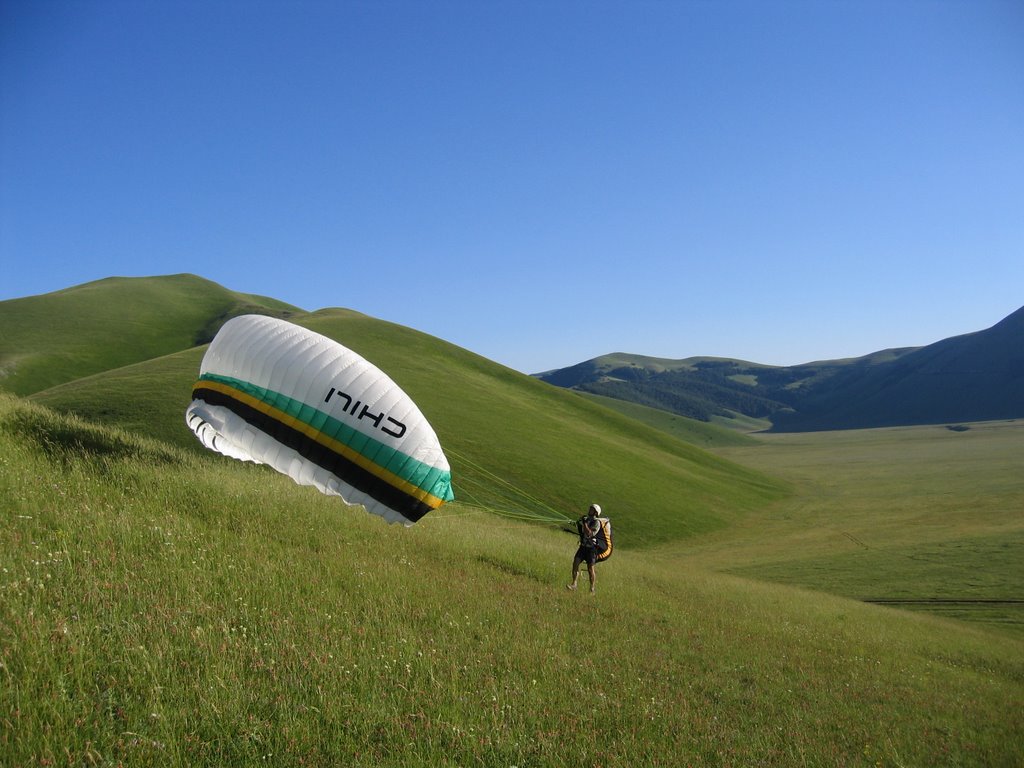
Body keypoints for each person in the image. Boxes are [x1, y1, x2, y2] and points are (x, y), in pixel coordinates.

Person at [567, 503, 602, 594]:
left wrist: (585, 523)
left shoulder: (597, 522)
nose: (589, 510)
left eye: (591, 509)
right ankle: (574, 584)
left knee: (590, 569)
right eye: (590, 508)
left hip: (591, 549)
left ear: (595, 513)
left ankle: (592, 589)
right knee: (575, 563)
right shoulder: (587, 519)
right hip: (583, 547)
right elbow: (581, 528)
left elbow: (589, 533)